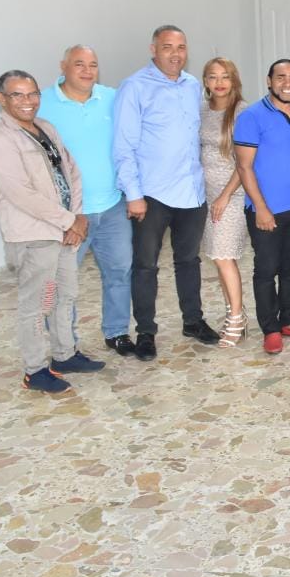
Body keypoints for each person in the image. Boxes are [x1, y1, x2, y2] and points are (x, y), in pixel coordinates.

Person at [0, 70, 103, 394]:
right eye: (17, 95)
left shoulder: (45, 128)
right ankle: (35, 370)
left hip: (64, 230)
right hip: (34, 236)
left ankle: (65, 354)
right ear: (1, 99)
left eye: (33, 93)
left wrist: (76, 216)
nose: (28, 101)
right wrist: (68, 221)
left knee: (65, 295)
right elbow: (19, 193)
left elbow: (71, 170)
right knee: (38, 304)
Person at [113, 24, 217, 360]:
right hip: (151, 195)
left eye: (181, 47)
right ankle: (146, 331)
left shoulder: (193, 86)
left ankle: (193, 321)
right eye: (168, 47)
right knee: (145, 266)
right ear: (153, 49)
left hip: (191, 191)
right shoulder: (134, 87)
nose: (175, 54)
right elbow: (123, 146)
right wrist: (133, 194)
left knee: (189, 261)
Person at [36, 45, 134, 356]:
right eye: (79, 64)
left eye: (93, 64)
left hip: (113, 206)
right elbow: (16, 128)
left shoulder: (112, 97)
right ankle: (65, 343)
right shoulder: (42, 102)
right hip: (69, 213)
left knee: (119, 273)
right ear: (63, 66)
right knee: (62, 282)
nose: (87, 71)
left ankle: (117, 332)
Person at [233, 59, 290, 355]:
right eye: (280, 77)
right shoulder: (251, 116)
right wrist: (260, 208)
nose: (287, 83)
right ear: (269, 81)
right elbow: (244, 167)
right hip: (266, 210)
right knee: (266, 270)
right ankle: (270, 329)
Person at [199, 57, 249, 347]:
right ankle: (232, 311)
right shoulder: (202, 110)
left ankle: (237, 320)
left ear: (234, 80)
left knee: (222, 256)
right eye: (213, 77)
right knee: (218, 258)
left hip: (231, 193)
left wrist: (225, 195)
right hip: (205, 194)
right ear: (205, 81)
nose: (219, 83)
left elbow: (245, 163)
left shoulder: (242, 112)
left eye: (225, 76)